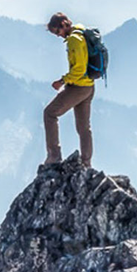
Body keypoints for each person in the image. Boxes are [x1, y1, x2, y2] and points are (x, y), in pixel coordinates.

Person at [42, 12, 94, 168]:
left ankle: (54, 156)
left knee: (49, 113)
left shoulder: (74, 40)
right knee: (84, 127)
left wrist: (62, 81)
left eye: (58, 31)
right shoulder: (81, 31)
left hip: (78, 87)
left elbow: (79, 69)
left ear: (64, 24)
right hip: (89, 86)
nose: (59, 36)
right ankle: (86, 163)